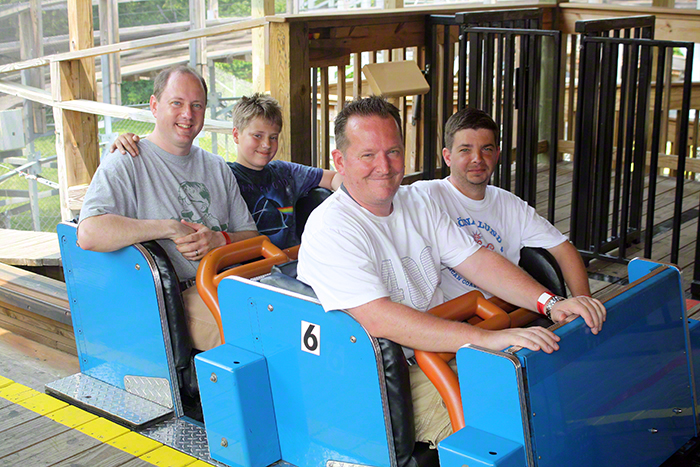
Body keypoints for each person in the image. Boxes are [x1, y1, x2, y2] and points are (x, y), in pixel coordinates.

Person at [296, 96, 606, 447]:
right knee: (508, 424)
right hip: (382, 377)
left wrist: (551, 304)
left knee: (555, 387)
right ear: (340, 161)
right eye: (368, 155)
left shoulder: (417, 201)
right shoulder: (332, 227)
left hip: (439, 352)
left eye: (393, 152)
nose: (384, 166)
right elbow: (378, 318)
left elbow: (476, 261)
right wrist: (487, 340)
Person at [78, 65, 258, 351]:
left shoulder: (216, 166)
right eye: (177, 103)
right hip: (181, 299)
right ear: (154, 106)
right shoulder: (127, 160)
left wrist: (220, 239)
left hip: (234, 283)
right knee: (260, 337)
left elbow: (252, 238)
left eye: (196, 105)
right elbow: (89, 233)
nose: (187, 114)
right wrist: (169, 227)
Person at [111, 93, 342, 249]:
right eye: (257, 136)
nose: (266, 145)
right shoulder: (221, 174)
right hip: (246, 268)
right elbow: (180, 167)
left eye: (273, 137)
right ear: (236, 136)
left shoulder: (286, 172)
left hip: (292, 263)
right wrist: (131, 140)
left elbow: (332, 178)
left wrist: (357, 198)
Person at [413, 107, 591, 302]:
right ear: (447, 157)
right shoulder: (424, 195)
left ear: (497, 154)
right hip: (453, 316)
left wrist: (584, 302)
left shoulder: (511, 205)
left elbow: (563, 249)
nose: (477, 159)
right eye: (465, 150)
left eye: (486, 149)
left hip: (506, 309)